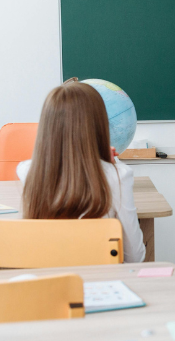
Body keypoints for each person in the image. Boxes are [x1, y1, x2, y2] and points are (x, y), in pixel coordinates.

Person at [16, 80, 145, 263]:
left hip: (48, 286)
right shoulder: (118, 176)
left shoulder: (25, 171)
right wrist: (109, 165)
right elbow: (135, 257)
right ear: (99, 124)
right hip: (97, 287)